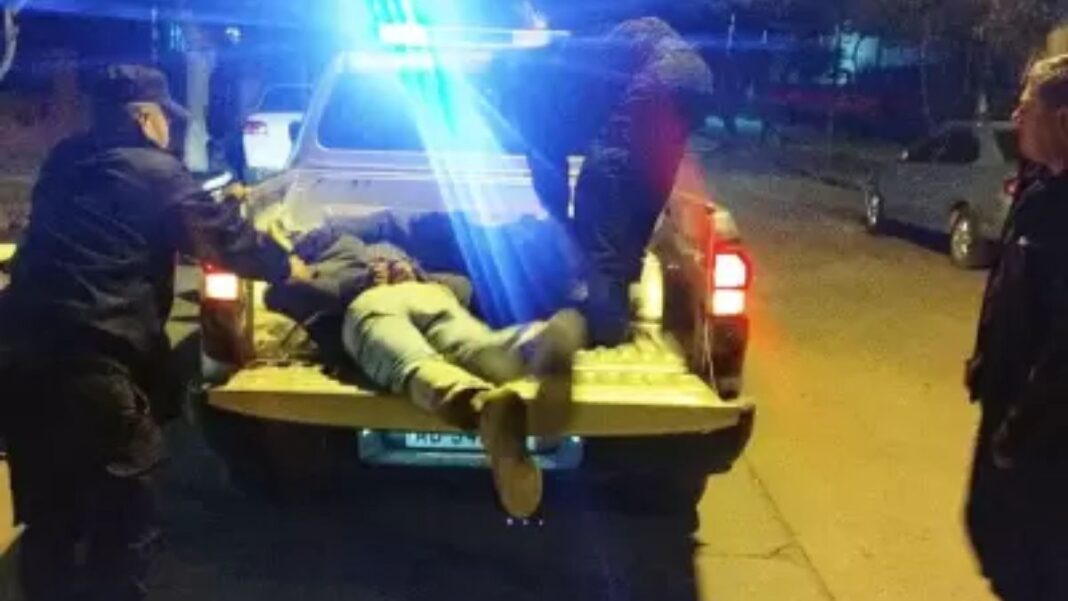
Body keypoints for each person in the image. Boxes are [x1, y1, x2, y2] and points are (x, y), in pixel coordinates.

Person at [0, 65, 309, 601]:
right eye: (167, 117)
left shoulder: (66, 160)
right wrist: (288, 268)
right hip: (93, 366)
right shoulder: (157, 173)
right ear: (145, 118)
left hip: (21, 361)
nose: (170, 128)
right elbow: (224, 239)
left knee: (51, 517)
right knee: (125, 514)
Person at [264, 226, 586, 518]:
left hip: (371, 305)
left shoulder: (328, 261)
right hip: (430, 297)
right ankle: (534, 343)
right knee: (480, 348)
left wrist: (306, 272)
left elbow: (287, 295)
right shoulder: (387, 251)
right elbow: (463, 287)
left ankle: (482, 406)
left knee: (412, 363)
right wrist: (416, 275)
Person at [504, 10, 714, 346]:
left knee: (602, 209)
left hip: (659, 77)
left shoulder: (537, 101)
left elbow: (554, 183)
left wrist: (573, 232)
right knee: (633, 202)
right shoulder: (563, 64)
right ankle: (616, 297)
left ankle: (606, 334)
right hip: (696, 77)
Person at [964, 53, 1068, 601]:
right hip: (1008, 414)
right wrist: (985, 357)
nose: (1015, 116)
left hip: (1043, 440)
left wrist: (1021, 431)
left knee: (1034, 566)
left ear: (1064, 121)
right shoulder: (1039, 189)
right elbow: (1007, 279)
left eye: (1027, 107)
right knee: (992, 534)